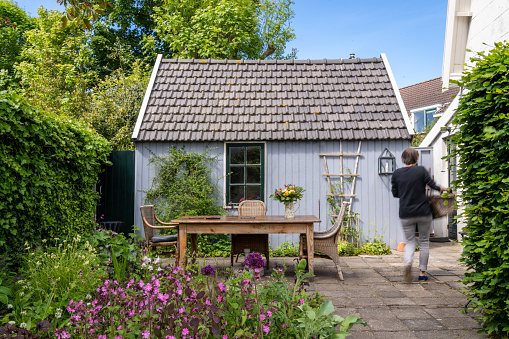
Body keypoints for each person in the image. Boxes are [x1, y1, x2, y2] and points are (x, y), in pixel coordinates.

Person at [391, 148, 449, 282]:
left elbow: (396, 194)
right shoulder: (421, 170)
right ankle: (422, 273)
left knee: (410, 241)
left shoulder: (397, 173)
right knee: (423, 242)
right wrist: (447, 190)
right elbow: (434, 186)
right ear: (416, 158)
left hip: (406, 213)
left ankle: (408, 262)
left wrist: (406, 192)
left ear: (403, 159)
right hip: (423, 212)